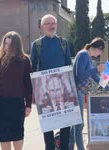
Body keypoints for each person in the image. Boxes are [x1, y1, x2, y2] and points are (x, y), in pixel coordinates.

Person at [30, 14, 71, 150]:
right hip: (44, 91)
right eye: (48, 23)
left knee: (66, 126)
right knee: (48, 127)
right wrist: (34, 92)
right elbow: (32, 68)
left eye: (54, 23)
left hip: (63, 90)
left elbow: (68, 66)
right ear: (42, 27)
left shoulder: (63, 43)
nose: (52, 26)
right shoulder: (37, 45)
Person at [0, 31, 32, 150]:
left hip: (17, 103)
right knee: (4, 135)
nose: (7, 47)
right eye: (5, 44)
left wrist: (28, 105)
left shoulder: (25, 60)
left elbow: (28, 84)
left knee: (18, 134)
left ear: (16, 46)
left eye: (10, 44)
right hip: (1, 103)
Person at [70, 37, 109, 150]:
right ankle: (80, 148)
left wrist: (108, 87)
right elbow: (80, 74)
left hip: (78, 91)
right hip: (77, 91)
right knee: (79, 124)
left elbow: (94, 77)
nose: (100, 54)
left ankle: (69, 147)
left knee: (75, 124)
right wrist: (97, 69)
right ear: (97, 48)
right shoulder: (84, 55)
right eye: (101, 51)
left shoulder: (86, 55)